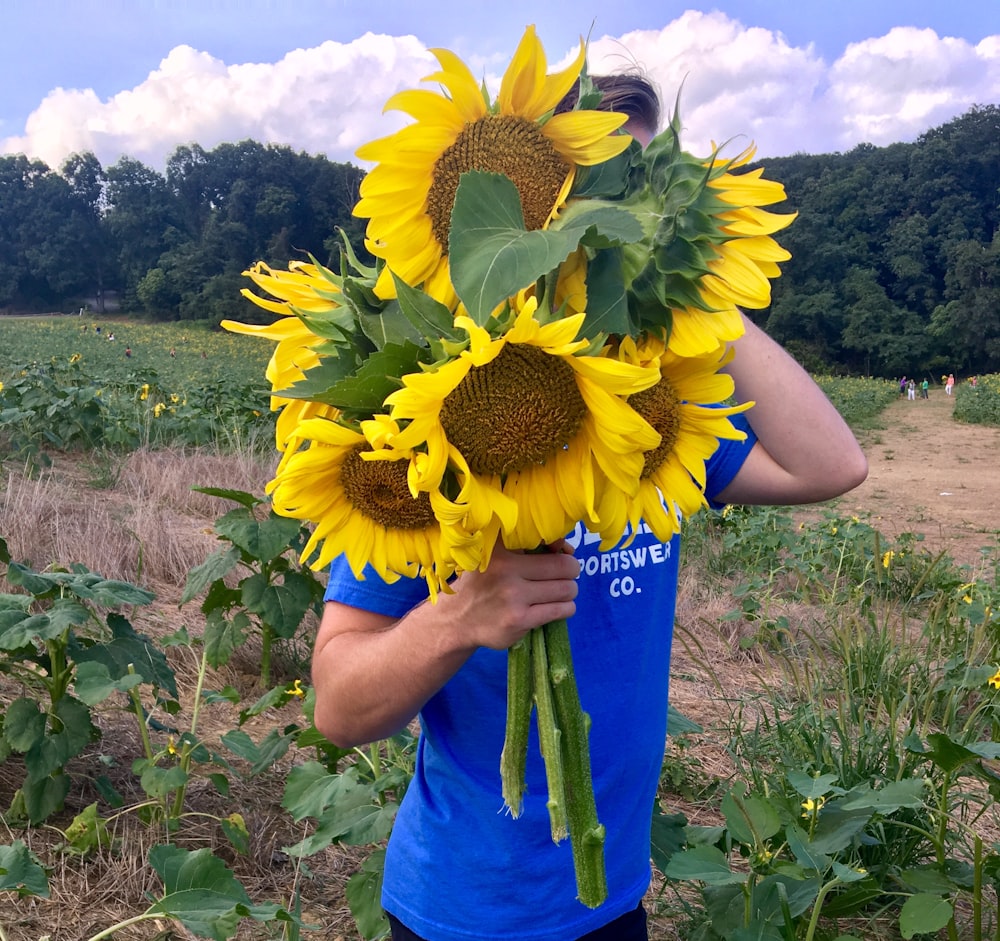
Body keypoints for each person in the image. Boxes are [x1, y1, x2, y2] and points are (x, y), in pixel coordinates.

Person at [310, 73, 869, 941]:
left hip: (611, 895)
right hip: (467, 910)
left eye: (638, 187)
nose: (619, 213)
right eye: (599, 187)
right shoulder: (434, 424)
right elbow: (338, 708)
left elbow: (831, 463)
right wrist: (460, 617)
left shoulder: (650, 411)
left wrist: (687, 273)